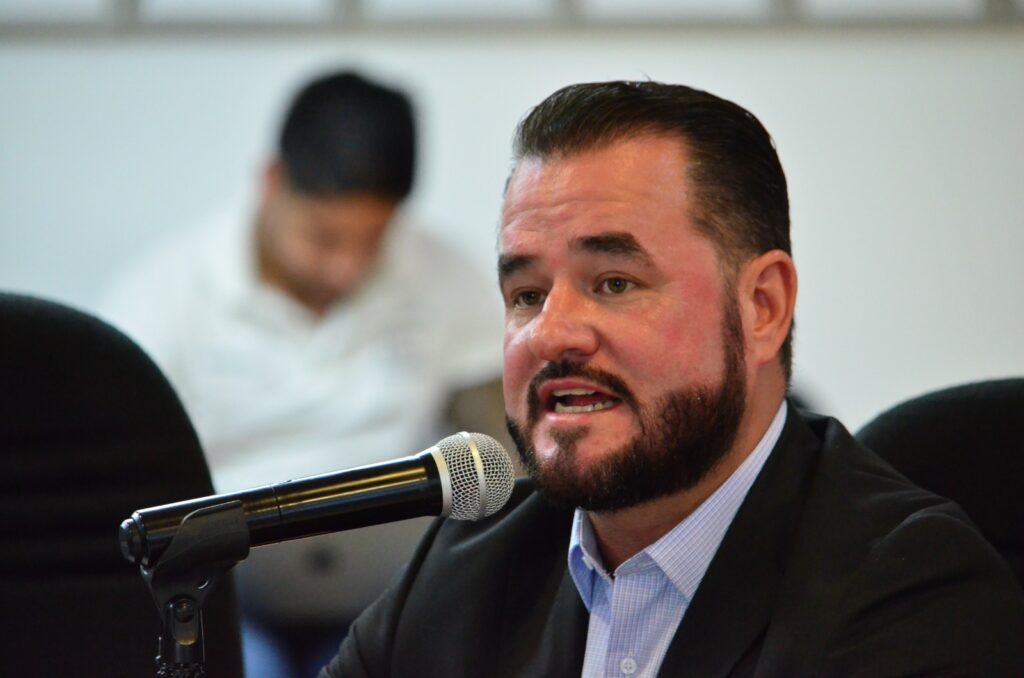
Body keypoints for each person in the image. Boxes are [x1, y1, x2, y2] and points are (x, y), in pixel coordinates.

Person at [320, 81, 1024, 677]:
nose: (551, 334)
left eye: (614, 282)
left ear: (763, 307)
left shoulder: (914, 592)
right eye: (527, 294)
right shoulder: (465, 565)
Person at [98, 71, 505, 676]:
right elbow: (123, 489)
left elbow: (503, 447)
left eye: (372, 240)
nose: (346, 268)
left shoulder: (448, 278)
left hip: (391, 592)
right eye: (323, 238)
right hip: (224, 602)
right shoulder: (160, 301)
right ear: (271, 181)